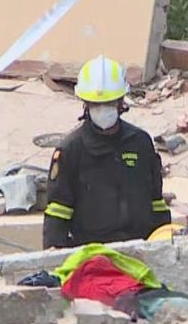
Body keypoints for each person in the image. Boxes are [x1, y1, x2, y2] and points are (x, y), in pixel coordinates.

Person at [43, 55, 171, 249]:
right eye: (96, 104)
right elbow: (58, 211)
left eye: (109, 103)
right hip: (92, 253)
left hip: (141, 249)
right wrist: (54, 257)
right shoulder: (70, 149)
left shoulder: (140, 142)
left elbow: (156, 202)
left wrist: (166, 242)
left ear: (121, 102)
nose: (103, 109)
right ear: (85, 104)